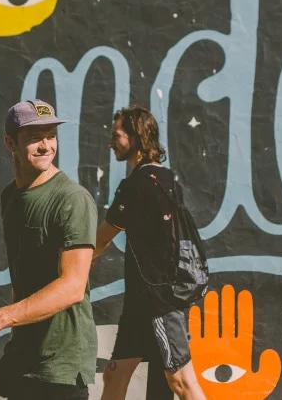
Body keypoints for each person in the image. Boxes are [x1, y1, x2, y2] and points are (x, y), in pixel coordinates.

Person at [0, 99, 97, 400]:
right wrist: (15, 336)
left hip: (59, 365)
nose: (46, 145)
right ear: (10, 143)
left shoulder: (72, 199)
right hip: (22, 360)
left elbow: (73, 286)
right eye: (34, 137)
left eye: (51, 136)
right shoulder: (11, 197)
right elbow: (23, 277)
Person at [94, 104, 206, 400]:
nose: (110, 143)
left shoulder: (139, 184)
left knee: (182, 381)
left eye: (116, 136)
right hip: (141, 303)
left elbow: (102, 239)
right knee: (115, 374)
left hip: (159, 302)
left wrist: (68, 270)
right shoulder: (166, 178)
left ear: (136, 137)